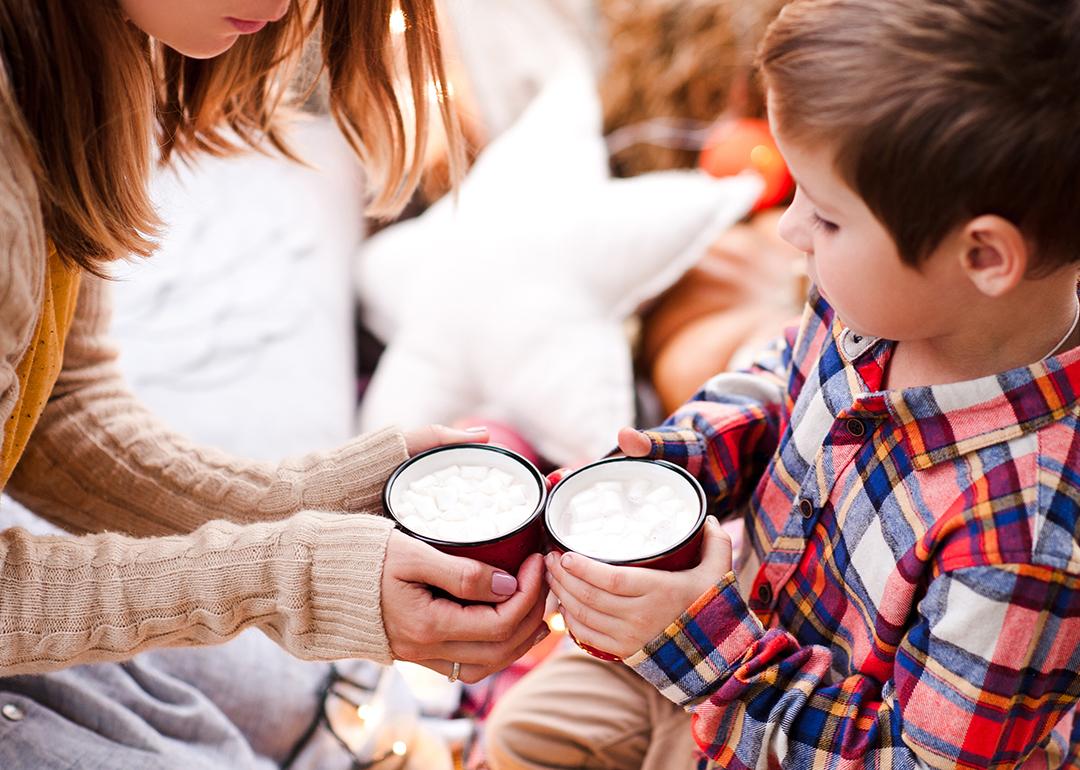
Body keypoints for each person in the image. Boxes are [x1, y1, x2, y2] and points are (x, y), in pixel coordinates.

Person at [487, 0, 1080, 767]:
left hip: (799, 725)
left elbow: (915, 759)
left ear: (983, 257)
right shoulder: (878, 302)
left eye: (827, 216)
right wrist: (688, 460)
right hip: (719, 623)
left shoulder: (1028, 532)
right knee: (524, 737)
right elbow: (786, 380)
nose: (788, 229)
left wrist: (699, 641)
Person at [0, 0, 548, 765]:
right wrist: (292, 578)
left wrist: (316, 495)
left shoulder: (92, 50)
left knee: (302, 700)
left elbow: (57, 408)